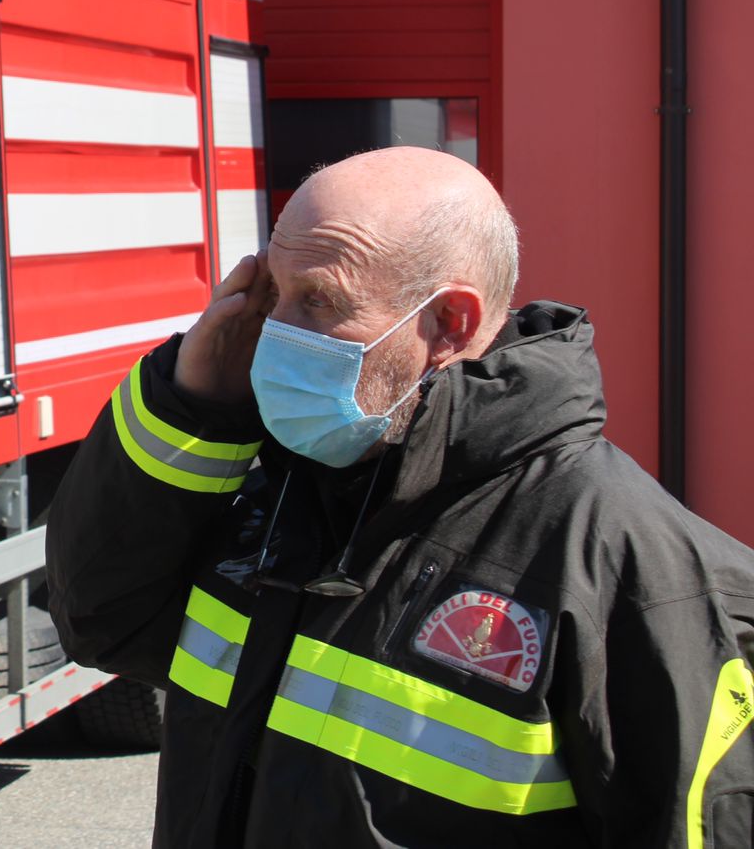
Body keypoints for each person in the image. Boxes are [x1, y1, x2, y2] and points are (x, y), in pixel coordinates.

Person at [46, 146, 754, 847]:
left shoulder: (624, 562)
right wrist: (190, 406)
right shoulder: (286, 480)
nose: (270, 333)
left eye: (317, 301)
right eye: (271, 295)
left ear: (448, 324)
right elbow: (102, 621)